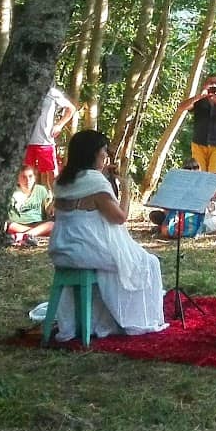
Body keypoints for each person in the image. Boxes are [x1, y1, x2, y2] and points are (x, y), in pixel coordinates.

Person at [47, 129, 166, 340]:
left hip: (60, 247)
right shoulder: (97, 182)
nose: (105, 155)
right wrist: (126, 189)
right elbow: (119, 218)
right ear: (92, 153)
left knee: (121, 263)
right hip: (84, 250)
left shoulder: (62, 180)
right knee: (147, 263)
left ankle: (92, 318)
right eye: (103, 151)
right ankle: (132, 320)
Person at [181, 75, 216, 174]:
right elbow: (182, 107)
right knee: (198, 176)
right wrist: (199, 96)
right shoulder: (199, 100)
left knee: (214, 179)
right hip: (199, 143)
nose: (214, 85)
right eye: (211, 83)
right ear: (205, 84)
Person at [24, 85, 77, 186]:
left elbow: (71, 108)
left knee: (52, 174)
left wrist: (59, 125)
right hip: (25, 140)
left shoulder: (51, 92)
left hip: (45, 141)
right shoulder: (24, 88)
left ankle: (56, 199)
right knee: (26, 174)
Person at [5, 164, 54, 246]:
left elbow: (48, 209)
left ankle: (21, 236)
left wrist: (52, 208)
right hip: (17, 225)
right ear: (17, 180)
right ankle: (31, 235)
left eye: (30, 176)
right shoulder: (11, 193)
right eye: (23, 177)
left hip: (38, 223)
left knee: (53, 224)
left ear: (35, 178)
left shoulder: (41, 190)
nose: (27, 180)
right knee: (6, 224)